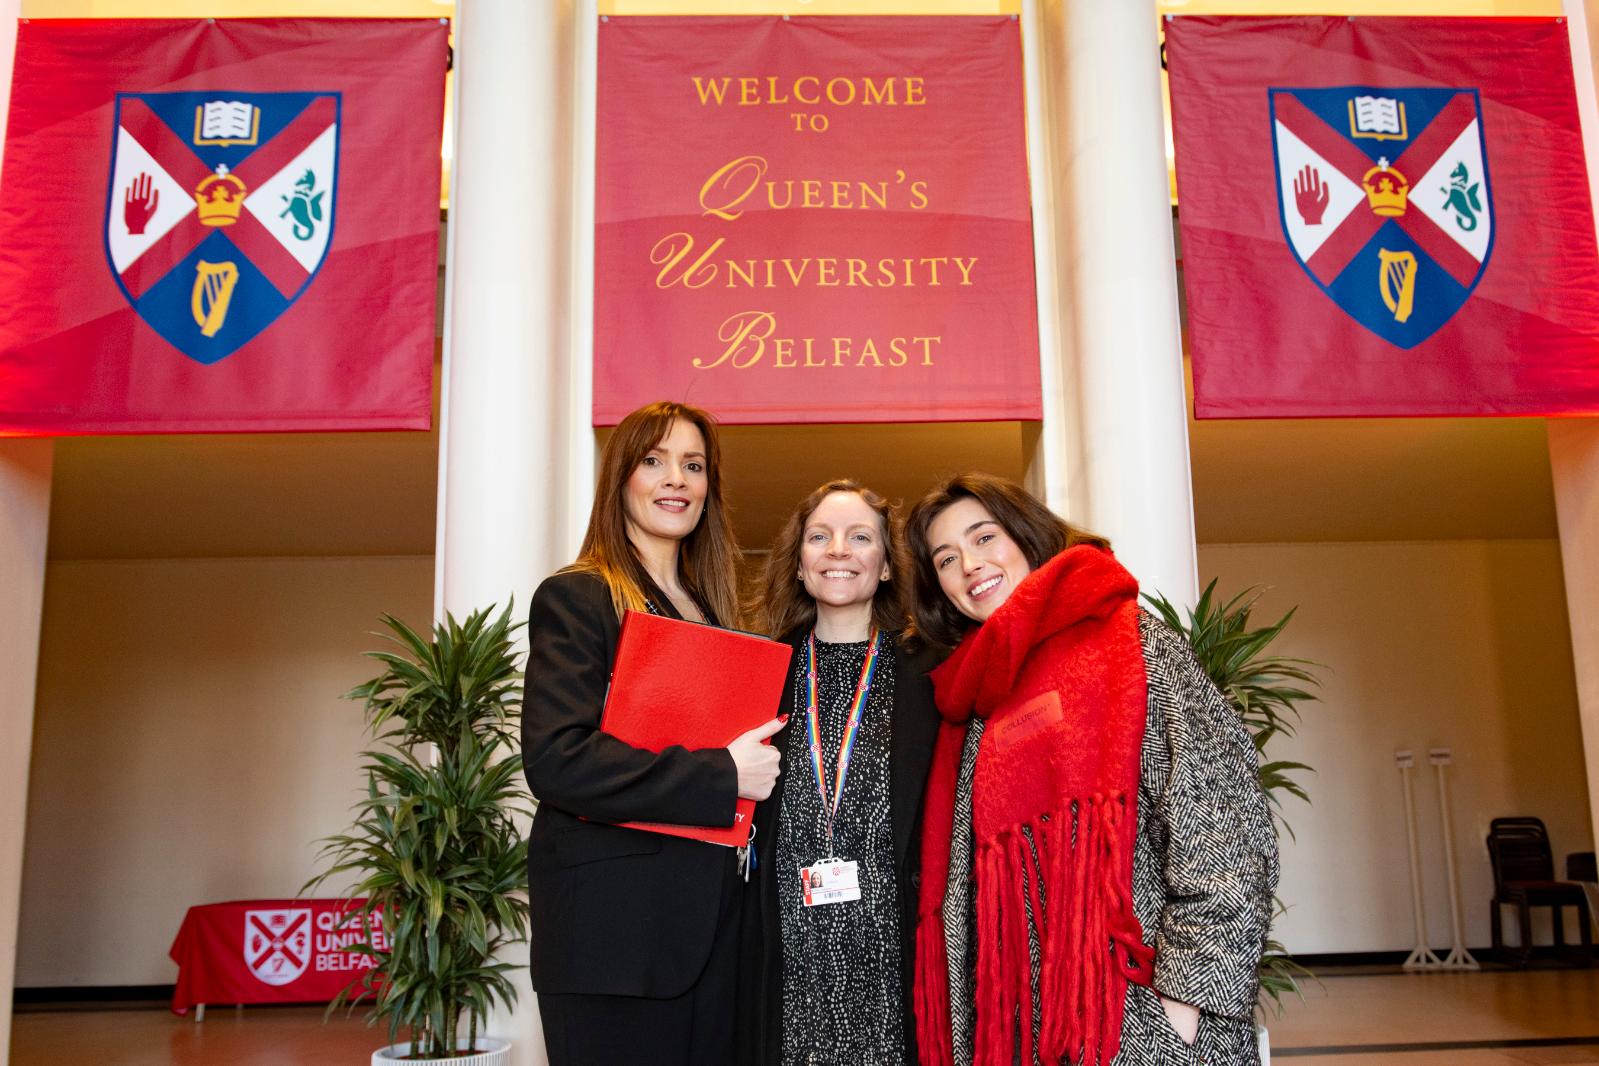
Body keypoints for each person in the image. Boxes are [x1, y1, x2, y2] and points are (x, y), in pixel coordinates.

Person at [903, 473, 1278, 1066]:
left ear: (1027, 535)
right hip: (1010, 1026)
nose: (969, 565)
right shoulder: (972, 693)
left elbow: (1226, 831)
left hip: (1130, 1020)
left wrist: (1184, 1008)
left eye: (984, 538)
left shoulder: (1134, 646)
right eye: (946, 559)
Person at [522, 401, 785, 1066]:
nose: (676, 479)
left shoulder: (718, 614)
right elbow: (558, 761)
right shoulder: (580, 596)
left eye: (692, 465)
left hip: (712, 927)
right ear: (621, 479)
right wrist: (723, 776)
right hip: (614, 940)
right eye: (654, 460)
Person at [736, 480, 942, 1066]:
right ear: (799, 565)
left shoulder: (930, 673)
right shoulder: (761, 671)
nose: (838, 550)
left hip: (895, 950)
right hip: (788, 949)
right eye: (819, 537)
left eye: (860, 537)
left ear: (884, 566)